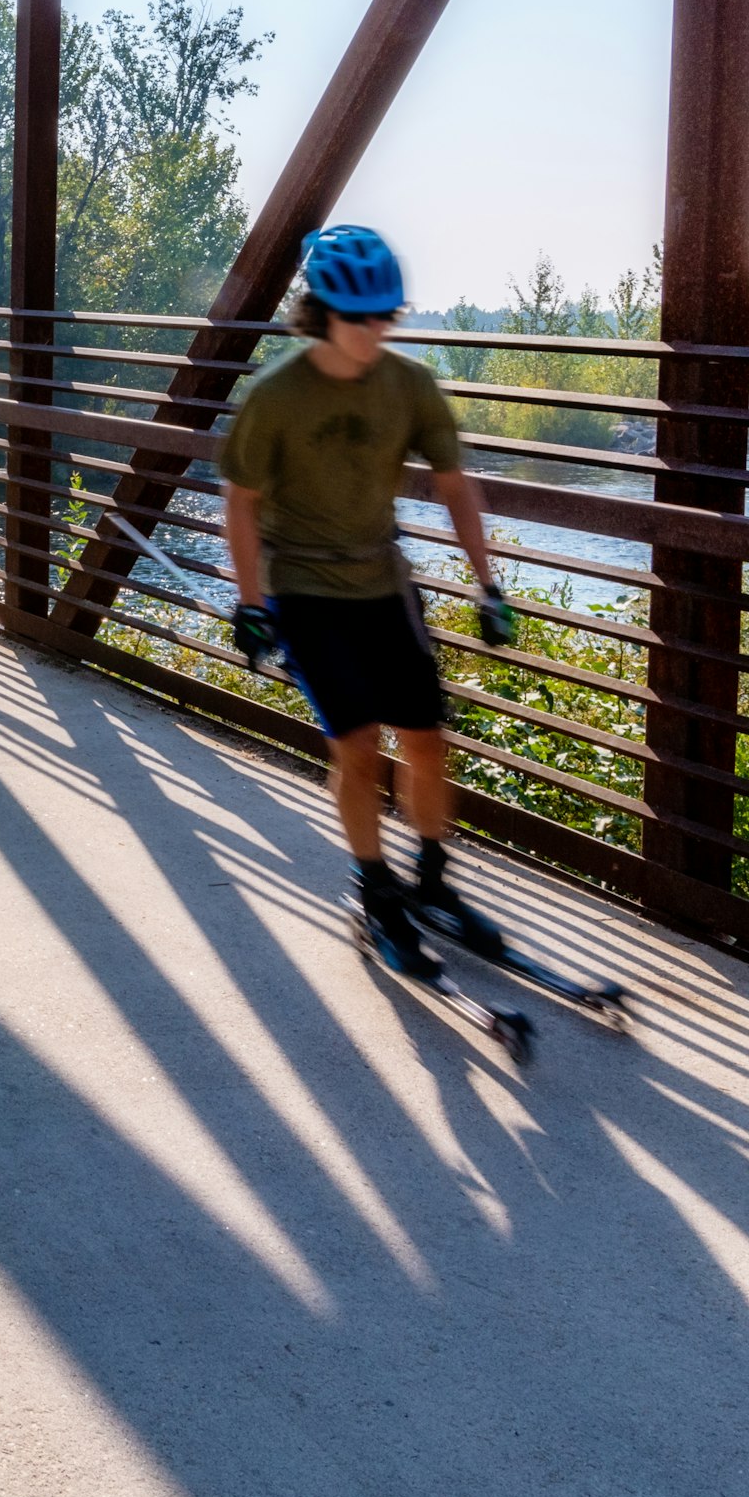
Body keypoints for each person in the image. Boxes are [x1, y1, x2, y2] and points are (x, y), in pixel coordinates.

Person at [217, 224, 518, 985]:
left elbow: (455, 485)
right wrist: (251, 605)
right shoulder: (277, 396)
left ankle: (432, 881)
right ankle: (374, 885)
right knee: (356, 746)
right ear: (319, 311)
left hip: (385, 583)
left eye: (385, 316)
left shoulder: (410, 385)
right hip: (307, 593)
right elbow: (242, 505)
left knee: (426, 740)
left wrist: (489, 585)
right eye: (358, 317)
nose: (373, 332)